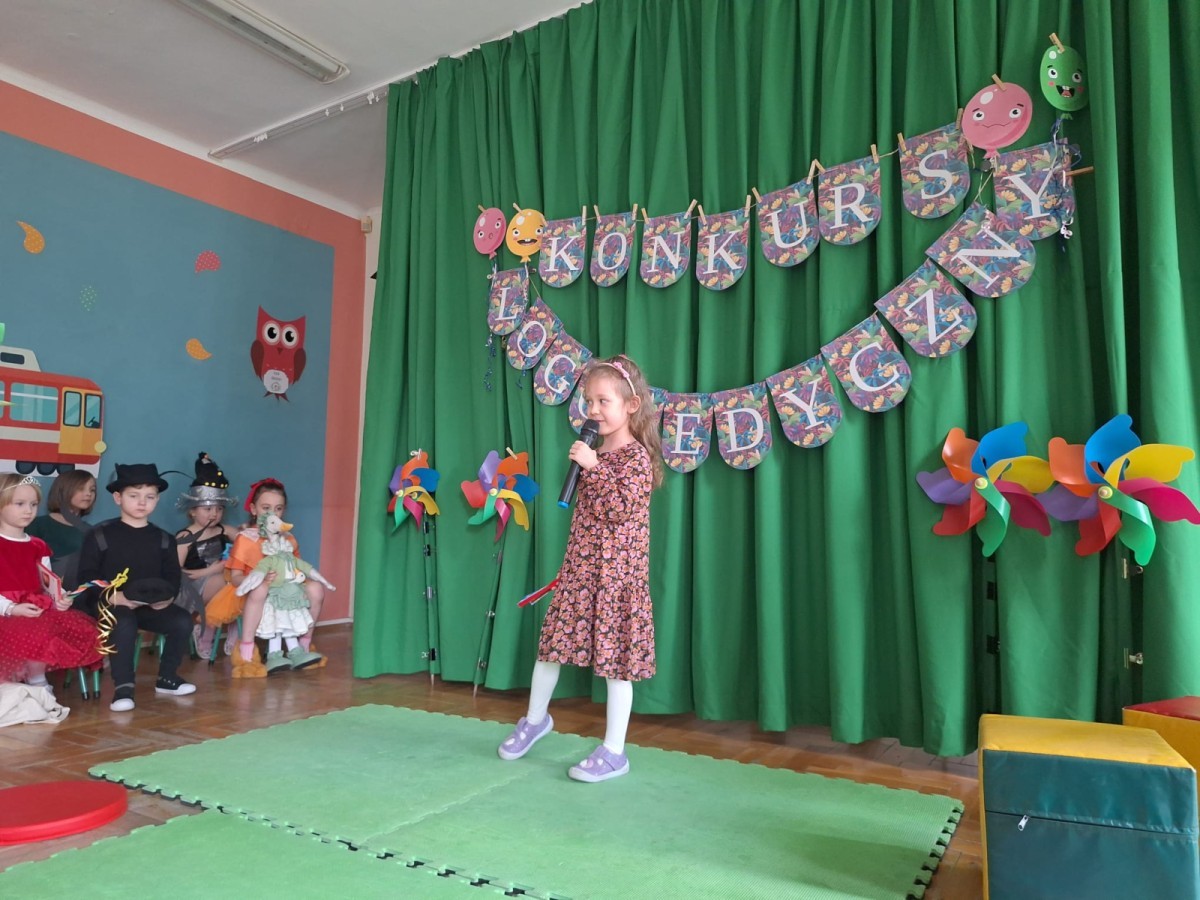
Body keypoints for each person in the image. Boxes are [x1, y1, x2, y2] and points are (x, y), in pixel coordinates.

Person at [498, 354, 662, 782]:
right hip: (580, 574)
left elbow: (620, 510)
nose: (593, 410)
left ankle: (614, 751)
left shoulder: (636, 459)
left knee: (616, 666)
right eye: (589, 401)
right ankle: (535, 720)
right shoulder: (593, 454)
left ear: (631, 405)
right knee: (550, 648)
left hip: (617, 581)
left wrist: (594, 468)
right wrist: (589, 464)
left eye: (603, 401)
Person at [73, 463, 195, 712]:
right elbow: (86, 576)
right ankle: (123, 688)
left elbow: (173, 576)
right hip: (109, 603)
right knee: (124, 621)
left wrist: (167, 598)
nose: (142, 502)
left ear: (157, 500)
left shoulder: (164, 538)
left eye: (149, 497)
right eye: (134, 496)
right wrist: (112, 596)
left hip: (147, 604)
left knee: (182, 620)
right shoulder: (100, 534)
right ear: (118, 498)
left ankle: (167, 678)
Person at [206, 478, 326, 677]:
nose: (272, 513)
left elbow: (296, 567)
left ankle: (303, 645)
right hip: (252, 590)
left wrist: (297, 577)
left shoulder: (288, 538)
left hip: (284, 587)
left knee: (316, 588)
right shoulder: (246, 538)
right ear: (254, 509)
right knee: (261, 588)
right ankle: (247, 650)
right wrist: (257, 580)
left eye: (278, 509)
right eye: (266, 508)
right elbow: (235, 577)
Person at [0, 474, 102, 694]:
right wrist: (11, 608)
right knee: (29, 630)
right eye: (19, 504)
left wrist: (60, 598)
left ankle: (36, 679)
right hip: (5, 610)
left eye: (33, 504)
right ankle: (23, 682)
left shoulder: (38, 545)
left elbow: (48, 581)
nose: (28, 510)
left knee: (53, 627)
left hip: (36, 606)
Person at [174, 453, 239, 656]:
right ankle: (204, 630)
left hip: (223, 582)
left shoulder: (225, 530)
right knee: (226, 581)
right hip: (191, 589)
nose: (214, 514)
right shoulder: (186, 536)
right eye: (207, 508)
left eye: (219, 509)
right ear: (193, 510)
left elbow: (247, 544)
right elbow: (176, 572)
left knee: (241, 582)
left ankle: (236, 631)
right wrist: (211, 570)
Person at [27, 470, 97, 584]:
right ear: (64, 490)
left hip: (77, 592)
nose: (88, 494)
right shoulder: (36, 525)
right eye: (81, 488)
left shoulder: (93, 532)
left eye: (92, 490)